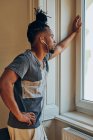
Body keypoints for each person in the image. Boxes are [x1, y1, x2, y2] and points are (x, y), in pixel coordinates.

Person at [0, 9, 81, 140]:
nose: (54, 40)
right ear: (42, 39)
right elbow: (4, 83)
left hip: (35, 124)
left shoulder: (43, 59)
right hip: (22, 127)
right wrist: (20, 115)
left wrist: (74, 32)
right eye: (52, 36)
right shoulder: (25, 60)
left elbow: (60, 48)